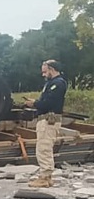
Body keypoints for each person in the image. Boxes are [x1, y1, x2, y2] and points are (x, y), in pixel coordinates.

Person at [24, 59, 67, 188]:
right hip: (46, 119)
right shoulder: (52, 83)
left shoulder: (58, 84)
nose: (43, 74)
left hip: (49, 120)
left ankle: (44, 177)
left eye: (44, 71)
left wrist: (34, 104)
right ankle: (46, 177)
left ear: (51, 69)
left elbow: (49, 103)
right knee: (43, 148)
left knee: (44, 148)